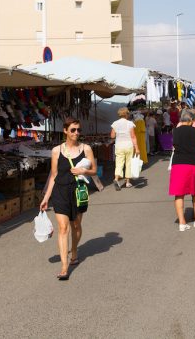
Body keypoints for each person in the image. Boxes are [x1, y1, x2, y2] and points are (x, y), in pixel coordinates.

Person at [40, 117, 98, 280]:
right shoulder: (56, 151)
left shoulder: (86, 149)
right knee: (63, 228)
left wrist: (83, 171)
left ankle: (74, 251)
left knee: (76, 225)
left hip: (78, 191)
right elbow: (53, 175)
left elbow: (94, 170)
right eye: (73, 130)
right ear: (65, 130)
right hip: (60, 191)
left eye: (78, 130)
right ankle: (64, 267)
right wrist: (46, 197)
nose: (76, 133)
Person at [169, 109, 195, 231]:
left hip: (178, 163)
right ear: (191, 120)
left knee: (179, 194)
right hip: (193, 163)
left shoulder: (175, 131)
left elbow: (174, 146)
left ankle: (182, 223)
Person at [110, 107, 140, 190]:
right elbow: (133, 136)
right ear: (126, 114)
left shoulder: (115, 123)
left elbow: (112, 136)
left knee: (119, 163)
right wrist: (137, 148)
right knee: (128, 163)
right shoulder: (130, 123)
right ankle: (127, 182)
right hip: (128, 145)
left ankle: (116, 179)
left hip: (119, 145)